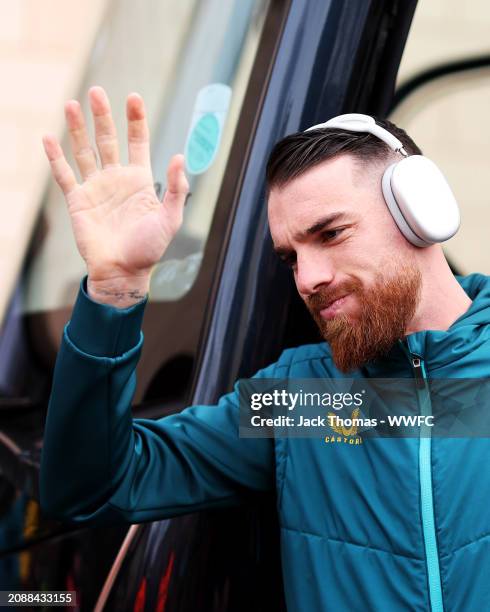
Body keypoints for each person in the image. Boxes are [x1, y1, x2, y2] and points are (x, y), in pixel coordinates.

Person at [40, 86, 490, 611]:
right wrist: (114, 288)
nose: (308, 279)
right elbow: (88, 489)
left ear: (421, 211)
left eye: (331, 234)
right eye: (290, 258)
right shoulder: (305, 400)